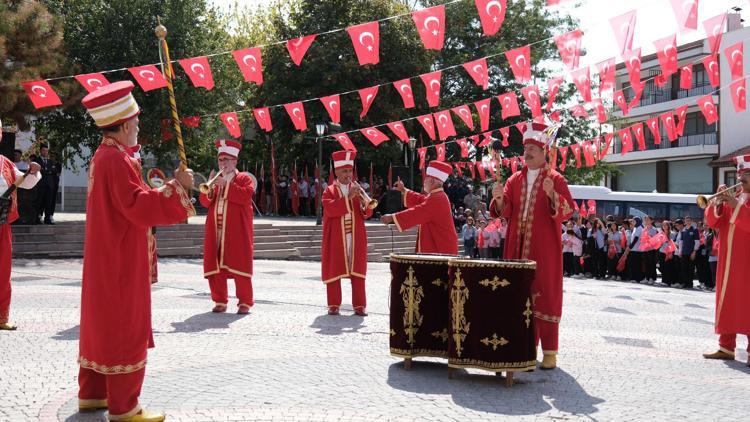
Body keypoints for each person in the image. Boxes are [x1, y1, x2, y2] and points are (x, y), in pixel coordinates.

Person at [77, 81, 195, 421]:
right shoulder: (116, 160)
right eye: (137, 123)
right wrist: (177, 189)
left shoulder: (106, 156)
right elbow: (138, 206)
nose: (138, 128)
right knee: (123, 325)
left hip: (106, 256)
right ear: (126, 124)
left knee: (102, 323)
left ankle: (94, 393)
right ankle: (125, 406)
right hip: (121, 259)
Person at [488, 122, 574, 370]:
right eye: (525, 148)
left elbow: (567, 212)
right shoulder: (515, 179)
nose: (527, 153)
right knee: (517, 295)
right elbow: (505, 212)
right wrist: (499, 199)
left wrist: (552, 195)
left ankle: (549, 351)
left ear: (544, 151)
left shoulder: (556, 178)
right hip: (516, 247)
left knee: (545, 294)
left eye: (532, 149)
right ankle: (522, 347)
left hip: (544, 249)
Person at [702, 154, 750, 366]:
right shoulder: (735, 196)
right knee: (727, 302)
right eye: (740, 175)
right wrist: (718, 204)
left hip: (747, 262)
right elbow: (713, 222)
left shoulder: (739, 200)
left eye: (746, 175)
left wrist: (735, 205)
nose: (741, 179)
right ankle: (726, 346)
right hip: (728, 261)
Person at [199, 140, 255, 315]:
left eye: (226, 159)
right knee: (216, 265)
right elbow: (205, 203)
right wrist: (209, 189)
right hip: (216, 228)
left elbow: (246, 196)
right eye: (220, 160)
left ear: (235, 161)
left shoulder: (244, 178)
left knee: (240, 264)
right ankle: (220, 300)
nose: (222, 163)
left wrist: (227, 185)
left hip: (237, 229)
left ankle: (245, 302)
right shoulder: (216, 179)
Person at [321, 151, 372, 316]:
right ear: (336, 172)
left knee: (357, 269)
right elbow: (330, 209)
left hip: (356, 236)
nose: (348, 174)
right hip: (337, 236)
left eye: (350, 171)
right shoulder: (328, 191)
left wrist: (366, 205)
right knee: (335, 268)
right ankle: (334, 304)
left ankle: (359, 305)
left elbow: (367, 212)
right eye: (344, 171)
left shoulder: (357, 189)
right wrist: (348, 198)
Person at [1, 137, 42, 330]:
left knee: (2, 271)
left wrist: (33, 172)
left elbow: (25, 183)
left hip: (2, 223)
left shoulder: (5, 163)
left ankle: (1, 317)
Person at [380, 161, 458, 255]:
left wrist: (392, 217)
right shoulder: (437, 196)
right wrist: (404, 190)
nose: (424, 181)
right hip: (440, 246)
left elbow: (418, 211)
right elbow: (421, 200)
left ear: (433, 180)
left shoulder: (438, 198)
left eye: (426, 179)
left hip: (440, 248)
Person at [33, 143, 60, 224]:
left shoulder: (50, 161)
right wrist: (49, 170)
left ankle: (47, 218)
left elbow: (55, 170)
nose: (45, 152)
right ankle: (37, 217)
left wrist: (47, 170)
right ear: (40, 151)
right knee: (40, 201)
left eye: (46, 151)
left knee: (49, 201)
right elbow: (41, 171)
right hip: (41, 184)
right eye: (43, 150)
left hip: (50, 184)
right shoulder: (36, 160)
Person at [678, 215, 700, 289]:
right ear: (685, 221)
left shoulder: (694, 229)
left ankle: (690, 284)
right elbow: (681, 242)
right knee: (684, 268)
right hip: (684, 252)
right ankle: (685, 283)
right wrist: (680, 251)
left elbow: (697, 242)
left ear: (691, 221)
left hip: (691, 252)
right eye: (686, 220)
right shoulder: (683, 230)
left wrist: (694, 252)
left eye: (689, 220)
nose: (687, 221)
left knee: (691, 269)